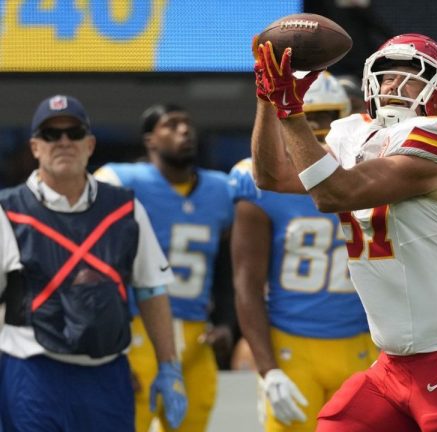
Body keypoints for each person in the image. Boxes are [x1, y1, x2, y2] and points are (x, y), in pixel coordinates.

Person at [251, 33, 437, 431]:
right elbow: (271, 175)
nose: (393, 85)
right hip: (391, 364)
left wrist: (290, 112)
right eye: (386, 75)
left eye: (411, 75)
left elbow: (337, 192)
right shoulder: (351, 133)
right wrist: (268, 100)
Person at [0, 95, 187, 431]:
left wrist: (169, 367)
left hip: (107, 375)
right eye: (51, 135)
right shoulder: (7, 210)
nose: (63, 142)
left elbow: (152, 289)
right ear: (34, 147)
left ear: (90, 145)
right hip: (32, 373)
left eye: (73, 133)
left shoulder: (124, 208)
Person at [229, 71, 378, 431]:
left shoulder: (369, 170)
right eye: (307, 117)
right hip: (292, 346)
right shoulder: (260, 185)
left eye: (326, 117)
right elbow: (246, 283)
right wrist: (268, 371)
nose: (316, 127)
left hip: (364, 341)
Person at [94, 104, 235, 432]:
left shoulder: (221, 189)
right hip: (139, 327)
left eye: (187, 124)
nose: (185, 131)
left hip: (196, 332)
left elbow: (228, 263)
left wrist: (227, 322)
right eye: (171, 125)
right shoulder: (121, 182)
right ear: (150, 140)